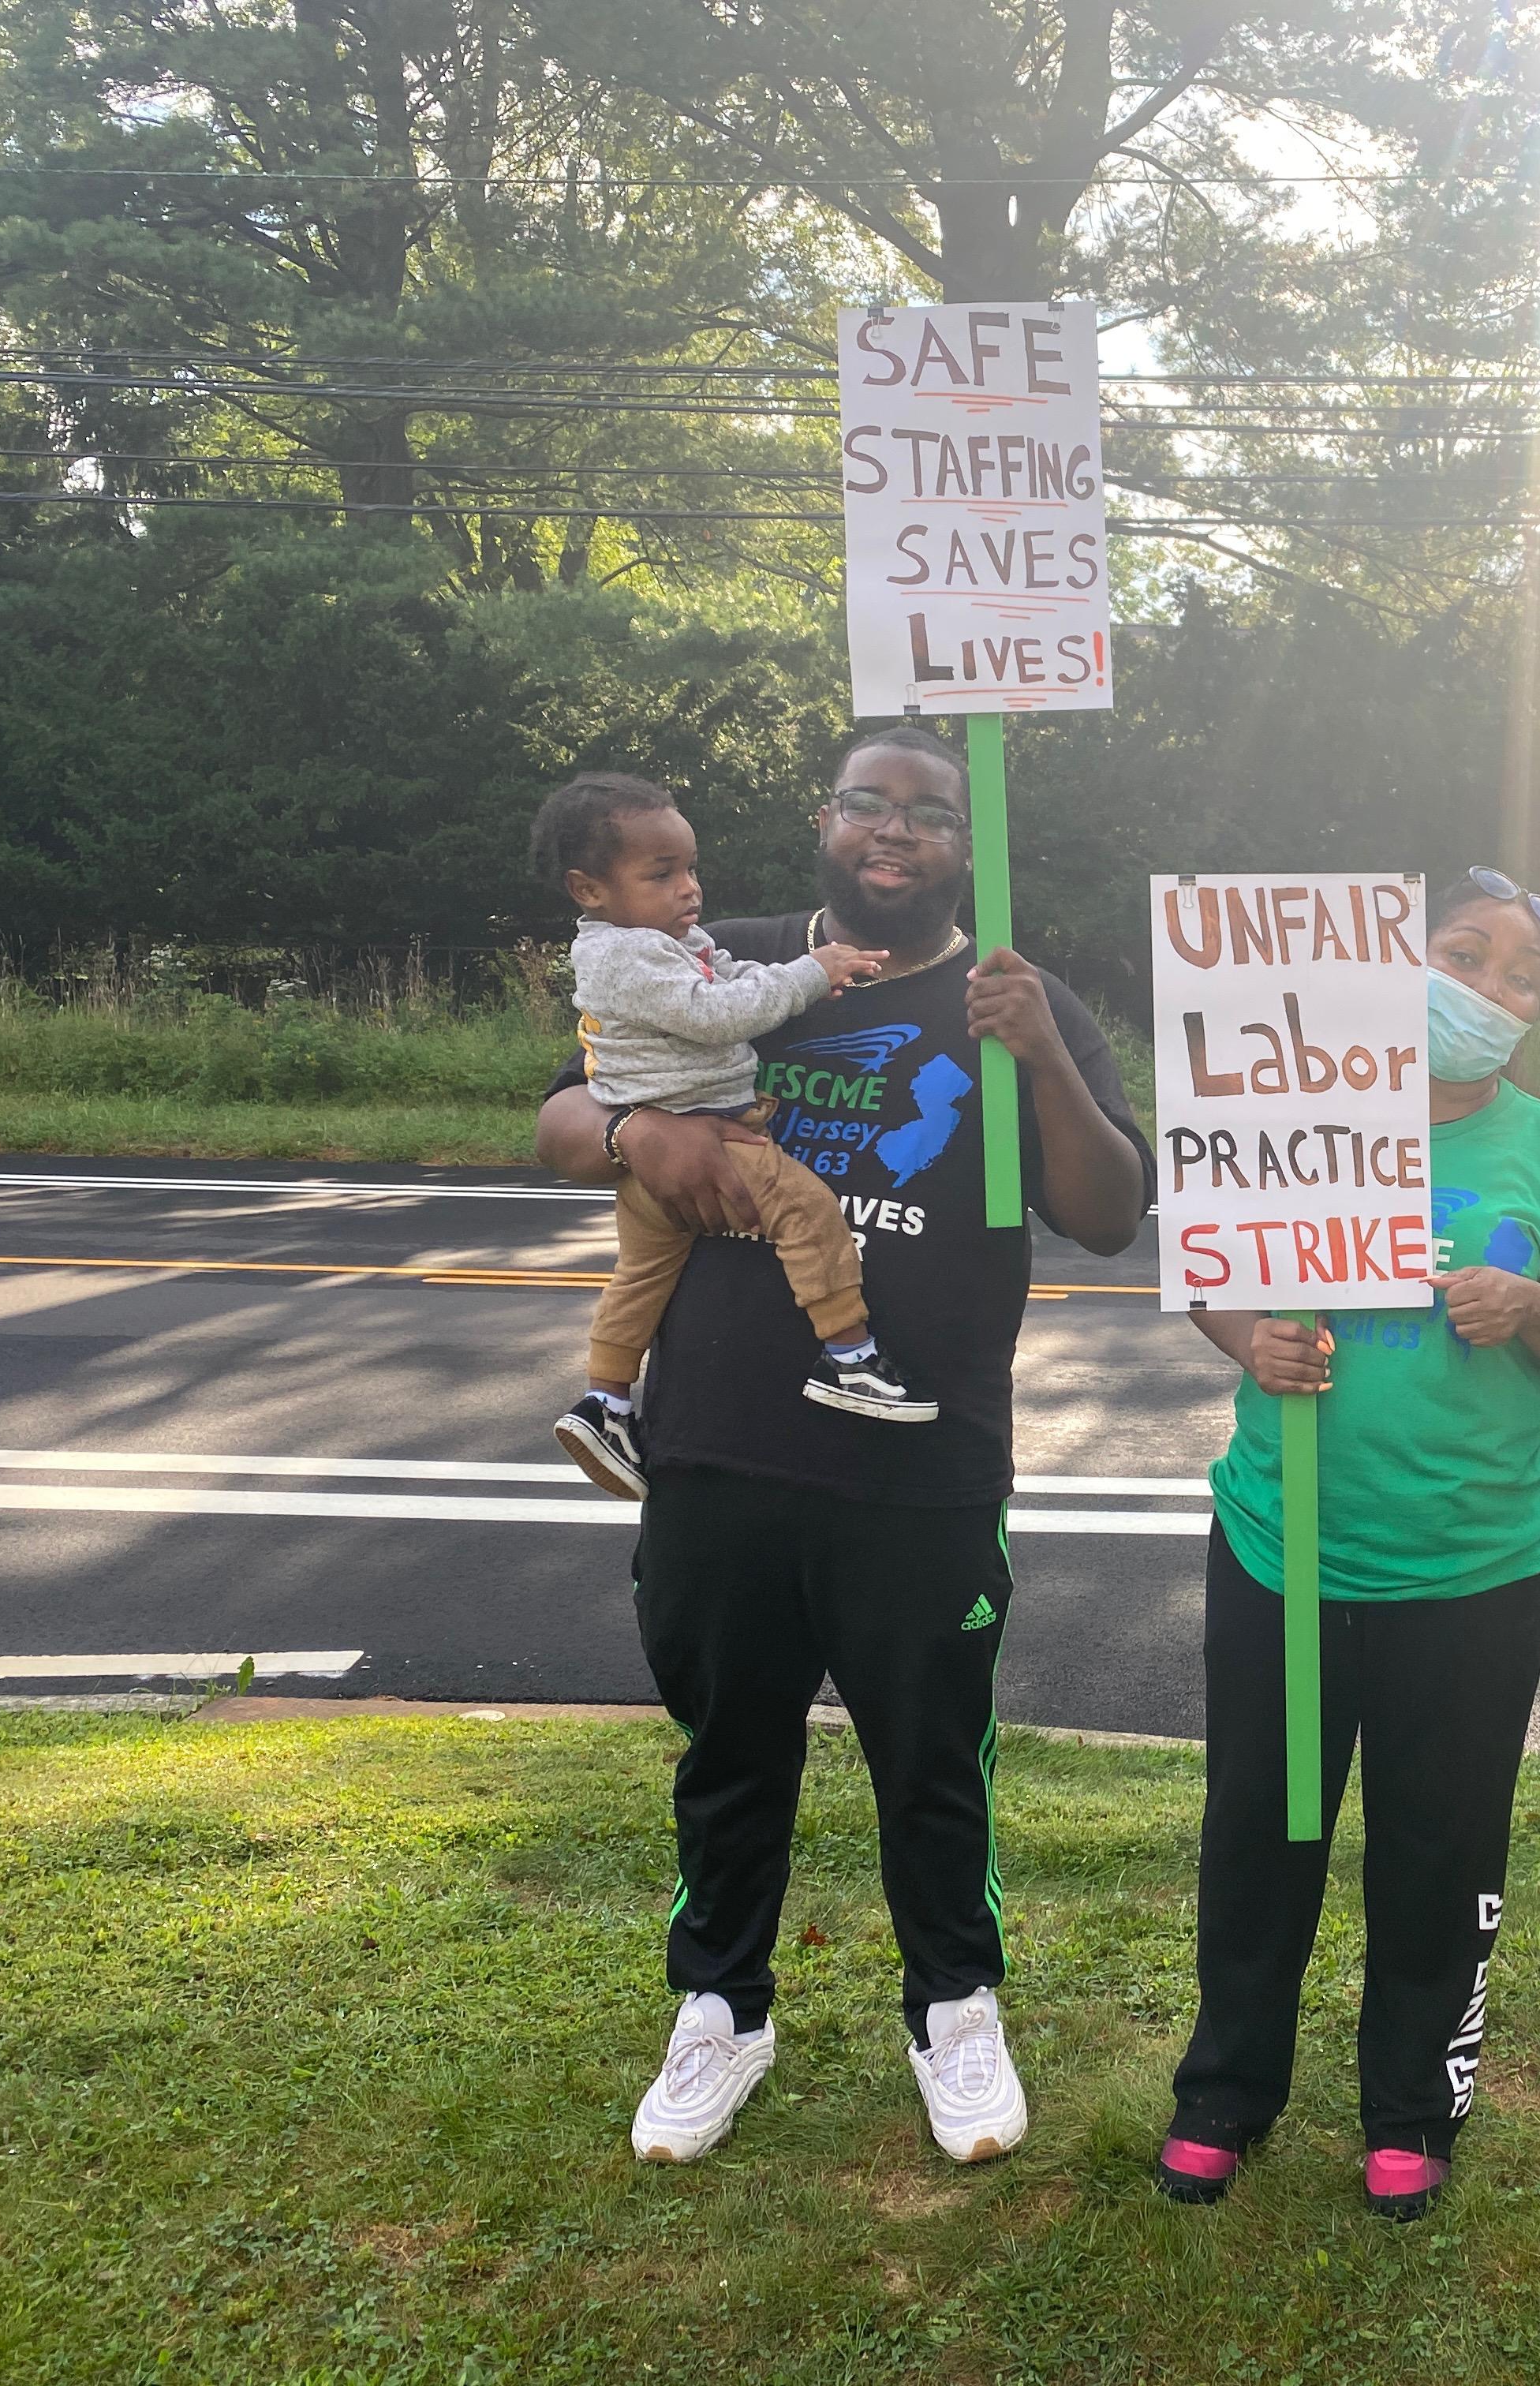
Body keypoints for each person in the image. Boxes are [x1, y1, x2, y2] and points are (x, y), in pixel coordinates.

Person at [533, 724, 1149, 2170]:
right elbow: (557, 1115)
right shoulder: (704, 950)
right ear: (822, 819)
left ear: (964, 841)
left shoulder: (1022, 996)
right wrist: (636, 1139)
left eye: (927, 811)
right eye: (867, 800)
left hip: (922, 1463)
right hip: (718, 1449)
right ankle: (719, 2007)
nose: (893, 828)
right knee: (726, 1752)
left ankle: (952, 2002)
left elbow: (1110, 1210)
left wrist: (1042, 1050)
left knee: (932, 1759)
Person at [1156, 866, 1540, 2223]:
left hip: (1469, 1569)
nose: (1491, 990)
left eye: (1521, 977)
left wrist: (1532, 1299)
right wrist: (1243, 1334)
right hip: (1284, 1547)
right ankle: (1224, 2092)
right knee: (1263, 1827)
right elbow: (1208, 1266)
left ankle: (1410, 2107)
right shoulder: (1292, 1104)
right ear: (1388, 960)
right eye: (1462, 954)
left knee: (1438, 1846)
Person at [534, 772, 931, 1506]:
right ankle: (851, 1355)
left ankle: (608, 1402)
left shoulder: (661, 941)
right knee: (811, 1216)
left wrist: (805, 975)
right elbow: (720, 1013)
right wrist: (814, 971)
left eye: (691, 867)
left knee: (643, 1278)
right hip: (712, 1137)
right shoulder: (629, 955)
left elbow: (734, 970)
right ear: (588, 889)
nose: (689, 888)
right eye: (662, 874)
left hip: (650, 1168)